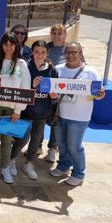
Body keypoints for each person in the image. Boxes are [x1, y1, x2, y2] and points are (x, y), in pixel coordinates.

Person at [50, 42, 105, 186]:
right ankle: (63, 166)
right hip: (60, 114)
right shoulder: (58, 69)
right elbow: (52, 91)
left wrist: (99, 95)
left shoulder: (91, 72)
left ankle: (79, 173)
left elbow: (98, 94)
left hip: (80, 117)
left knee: (74, 146)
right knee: (61, 144)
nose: (70, 55)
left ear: (80, 53)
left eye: (74, 52)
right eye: (67, 52)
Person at [0, 32, 31, 184]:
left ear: (16, 46)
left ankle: (5, 168)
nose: (8, 47)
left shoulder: (22, 64)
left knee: (7, 137)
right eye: (5, 44)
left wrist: (18, 110)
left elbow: (25, 88)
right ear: (1, 45)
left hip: (11, 108)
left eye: (12, 44)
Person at [10, 40, 58, 180]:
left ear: (47, 53)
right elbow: (18, 88)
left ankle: (29, 164)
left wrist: (54, 96)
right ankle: (11, 160)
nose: (40, 55)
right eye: (36, 51)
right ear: (32, 52)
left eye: (43, 52)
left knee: (36, 141)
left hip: (42, 113)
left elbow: (55, 94)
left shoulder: (52, 70)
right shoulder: (26, 66)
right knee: (22, 139)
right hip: (26, 111)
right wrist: (32, 85)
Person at [45, 23, 68, 163]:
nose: (57, 36)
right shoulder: (46, 48)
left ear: (65, 35)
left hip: (61, 92)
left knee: (56, 120)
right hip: (44, 89)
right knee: (40, 118)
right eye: (54, 33)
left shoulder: (70, 50)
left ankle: (52, 148)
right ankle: (37, 146)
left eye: (60, 34)